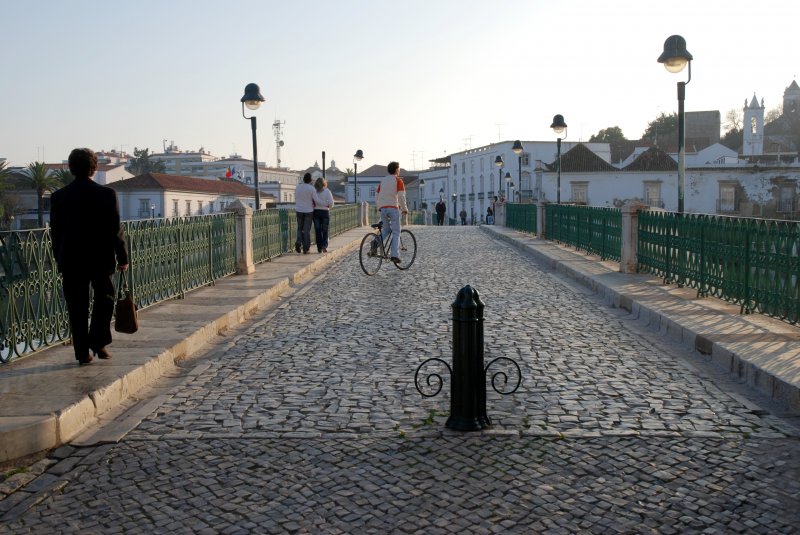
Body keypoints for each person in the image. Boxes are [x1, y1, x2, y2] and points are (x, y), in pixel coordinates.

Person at [49, 148, 128, 365]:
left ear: (71, 168)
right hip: (100, 259)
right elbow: (115, 230)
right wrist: (123, 257)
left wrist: (58, 257)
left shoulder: (59, 196)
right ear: (94, 168)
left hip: (71, 260)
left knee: (77, 306)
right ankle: (98, 341)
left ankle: (82, 352)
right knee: (105, 300)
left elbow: (55, 232)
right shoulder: (106, 195)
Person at [375, 161, 408, 263]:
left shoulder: (383, 181)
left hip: (383, 209)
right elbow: (401, 196)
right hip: (393, 208)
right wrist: (404, 209)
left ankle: (374, 243)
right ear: (396, 170)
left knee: (386, 229)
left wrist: (379, 206)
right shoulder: (398, 180)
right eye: (399, 169)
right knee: (396, 232)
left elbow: (376, 195)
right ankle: (394, 255)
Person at [294, 173, 316, 254]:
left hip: (299, 210)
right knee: (306, 230)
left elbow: (296, 197)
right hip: (308, 211)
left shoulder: (298, 187)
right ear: (310, 180)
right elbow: (315, 199)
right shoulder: (311, 188)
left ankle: (298, 242)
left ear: (303, 179)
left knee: (299, 228)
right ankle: (306, 248)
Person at [312, 177, 334, 253]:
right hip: (325, 213)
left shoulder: (314, 192)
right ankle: (324, 246)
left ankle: (319, 248)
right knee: (325, 230)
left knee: (317, 231)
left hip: (316, 213)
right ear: (324, 183)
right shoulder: (327, 191)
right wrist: (327, 205)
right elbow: (331, 204)